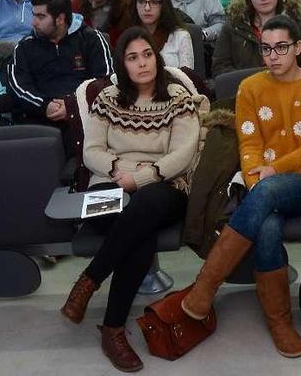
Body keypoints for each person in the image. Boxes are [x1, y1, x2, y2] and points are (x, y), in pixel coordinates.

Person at [181, 15, 301, 359]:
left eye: (281, 47)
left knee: (265, 195)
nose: (273, 55)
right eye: (266, 48)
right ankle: (279, 321)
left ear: (297, 47)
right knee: (265, 224)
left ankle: (205, 285)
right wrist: (255, 178)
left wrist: (272, 172)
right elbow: (248, 145)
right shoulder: (250, 87)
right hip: (261, 182)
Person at [60, 26, 206, 373]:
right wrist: (119, 172)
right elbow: (91, 152)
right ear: (122, 64)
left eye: (147, 55)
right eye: (132, 57)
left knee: (145, 207)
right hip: (108, 184)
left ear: (157, 57)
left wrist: (140, 178)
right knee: (139, 233)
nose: (142, 64)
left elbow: (181, 155)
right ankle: (111, 330)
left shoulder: (177, 99)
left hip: (163, 187)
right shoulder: (107, 99)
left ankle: (90, 282)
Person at [8, 0, 113, 125]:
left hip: (86, 116)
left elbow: (105, 81)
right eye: (33, 15)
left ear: (60, 19)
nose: (33, 22)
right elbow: (18, 86)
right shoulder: (25, 47)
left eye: (41, 16)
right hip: (40, 119)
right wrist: (44, 106)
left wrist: (73, 106)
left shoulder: (92, 39)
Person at [132, 0, 195, 68]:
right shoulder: (130, 37)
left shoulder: (180, 36)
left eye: (154, 2)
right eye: (141, 1)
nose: (147, 8)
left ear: (163, 5)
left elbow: (187, 78)